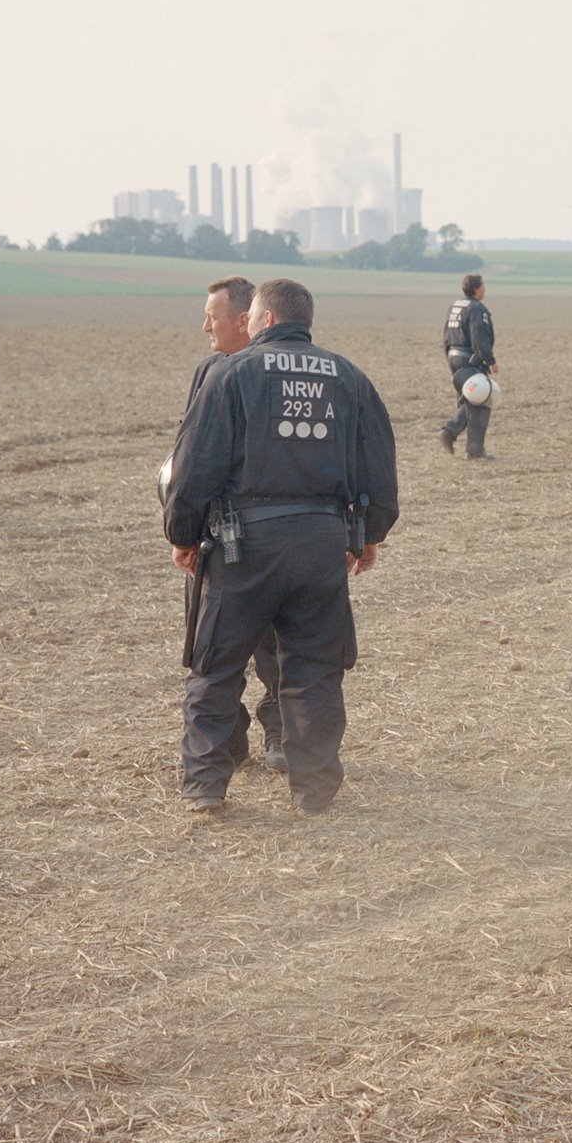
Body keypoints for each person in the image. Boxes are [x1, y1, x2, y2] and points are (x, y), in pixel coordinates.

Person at [164, 278, 399, 817]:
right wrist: (369, 534)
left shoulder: (230, 374)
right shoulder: (349, 377)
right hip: (322, 544)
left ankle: (205, 786)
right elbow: (379, 466)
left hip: (243, 545)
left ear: (265, 320)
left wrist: (182, 533)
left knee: (217, 666)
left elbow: (195, 464)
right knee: (315, 670)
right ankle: (313, 793)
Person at [177, 276, 285, 772]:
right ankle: (231, 741)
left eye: (213, 317)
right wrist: (187, 530)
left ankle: (281, 737)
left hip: (267, 537)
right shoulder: (209, 371)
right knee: (213, 652)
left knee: (276, 648)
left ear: (245, 319)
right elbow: (192, 455)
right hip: (215, 539)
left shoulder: (279, 374)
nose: (205, 327)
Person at [438, 273, 497, 460]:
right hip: (470, 359)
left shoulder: (455, 306)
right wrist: (490, 360)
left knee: (468, 399)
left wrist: (450, 356)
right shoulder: (476, 309)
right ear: (475, 289)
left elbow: (446, 334)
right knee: (480, 398)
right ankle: (456, 436)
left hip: (454, 357)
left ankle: (472, 447)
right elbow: (479, 336)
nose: (485, 290)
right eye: (483, 286)